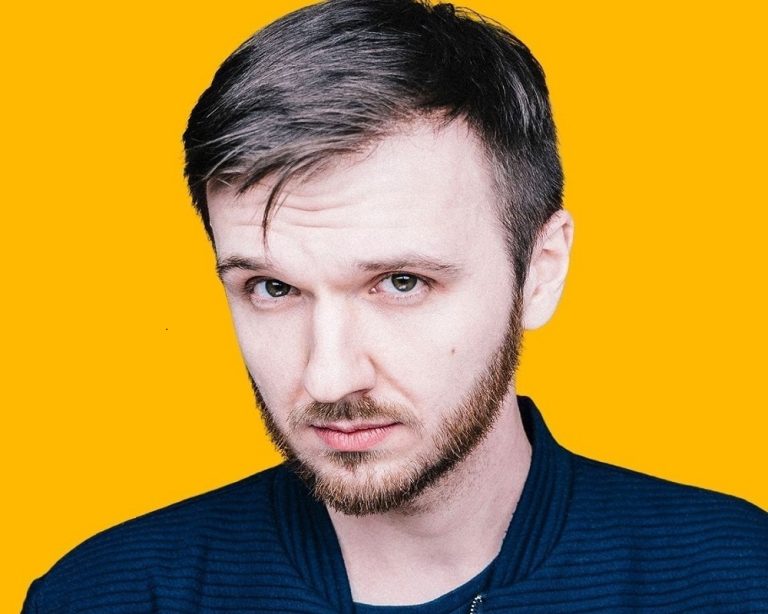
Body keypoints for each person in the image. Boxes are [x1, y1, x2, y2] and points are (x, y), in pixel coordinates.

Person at [23, 0, 767, 611]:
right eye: (272, 288)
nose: (329, 378)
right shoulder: (106, 596)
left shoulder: (739, 579)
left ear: (540, 272)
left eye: (402, 282)